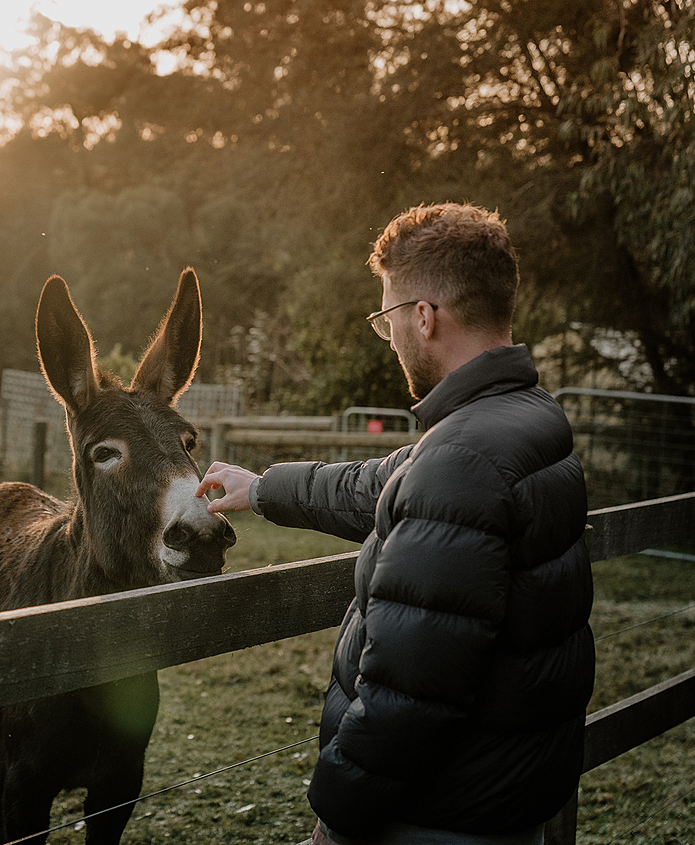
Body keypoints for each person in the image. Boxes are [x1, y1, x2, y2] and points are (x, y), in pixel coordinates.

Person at [197, 203, 594, 845]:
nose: (390, 338)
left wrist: (336, 817)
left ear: (424, 317)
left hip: (440, 816)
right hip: (514, 794)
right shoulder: (524, 416)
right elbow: (386, 484)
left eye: (387, 320)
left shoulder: (461, 458)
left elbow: (410, 695)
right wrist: (264, 488)